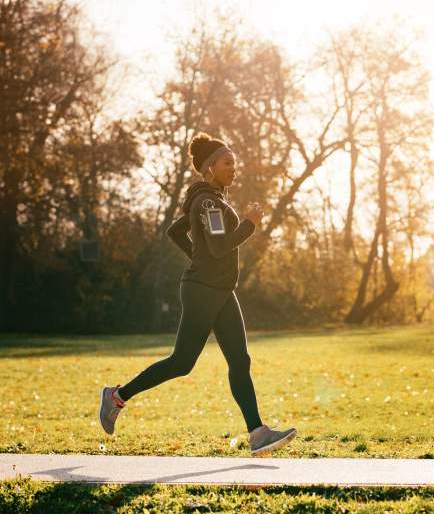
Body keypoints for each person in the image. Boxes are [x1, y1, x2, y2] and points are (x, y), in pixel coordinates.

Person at [98, 131, 297, 456]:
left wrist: (199, 256)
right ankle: (116, 397)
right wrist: (248, 224)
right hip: (203, 290)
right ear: (209, 168)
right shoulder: (208, 202)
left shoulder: (209, 201)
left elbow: (176, 231)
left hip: (219, 290)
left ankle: (258, 433)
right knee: (182, 362)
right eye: (227, 163)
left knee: (239, 360)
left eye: (234, 162)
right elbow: (218, 246)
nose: (234, 168)